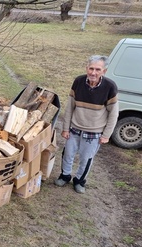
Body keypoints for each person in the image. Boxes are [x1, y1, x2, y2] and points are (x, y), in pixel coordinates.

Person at [54, 55, 119, 193]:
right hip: (75, 128)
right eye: (91, 68)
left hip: (94, 132)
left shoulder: (110, 87)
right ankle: (65, 176)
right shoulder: (78, 81)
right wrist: (65, 128)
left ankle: (79, 181)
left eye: (97, 69)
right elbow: (70, 106)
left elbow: (113, 114)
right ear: (86, 68)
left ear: (104, 71)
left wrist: (106, 135)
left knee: (86, 158)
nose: (93, 73)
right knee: (67, 154)